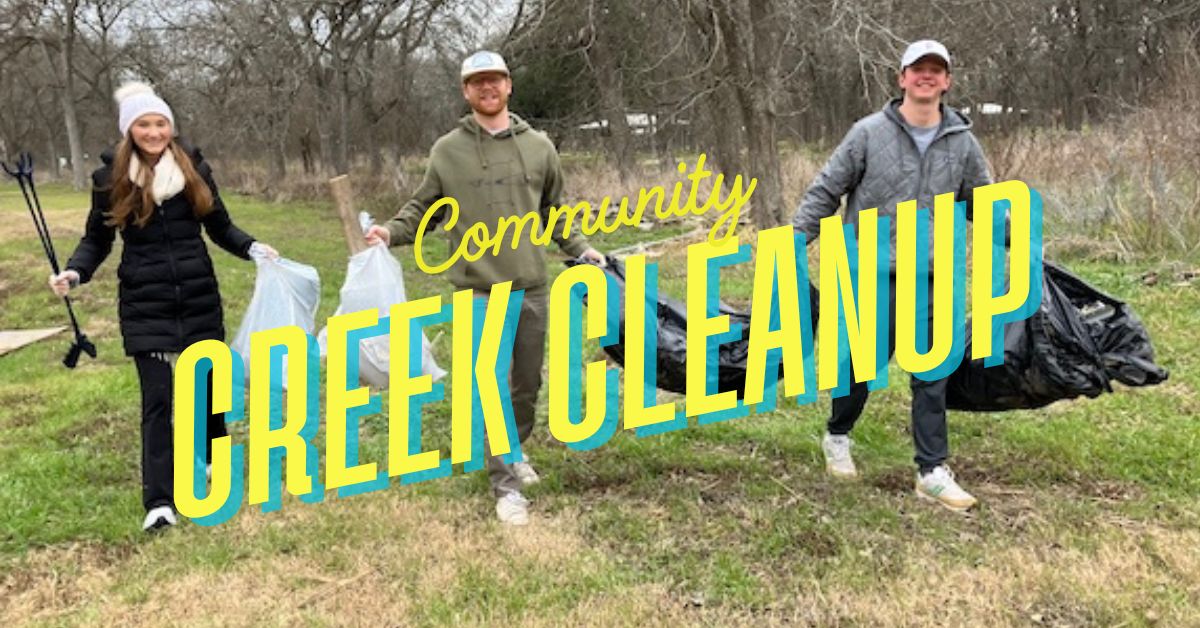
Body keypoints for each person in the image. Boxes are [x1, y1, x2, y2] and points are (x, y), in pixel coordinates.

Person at [365, 50, 605, 526]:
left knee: (526, 384)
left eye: (494, 80)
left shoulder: (539, 146)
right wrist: (389, 232)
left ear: (508, 85)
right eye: (477, 82)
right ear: (465, 91)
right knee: (490, 386)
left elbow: (556, 212)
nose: (487, 88)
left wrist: (582, 250)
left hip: (532, 287)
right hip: (479, 291)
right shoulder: (447, 151)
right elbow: (422, 209)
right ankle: (506, 487)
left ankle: (513, 449)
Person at [49, 82, 278, 531]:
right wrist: (74, 273)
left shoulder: (194, 170)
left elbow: (220, 226)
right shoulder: (110, 180)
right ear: (129, 130)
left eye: (160, 123)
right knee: (157, 400)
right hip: (143, 301)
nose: (153, 132)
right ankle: (159, 501)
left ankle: (213, 461)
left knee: (207, 392)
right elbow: (97, 239)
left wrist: (252, 248)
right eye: (143, 124)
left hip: (197, 296)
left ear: (170, 128)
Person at [791, 39, 993, 512]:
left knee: (932, 373)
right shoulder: (867, 134)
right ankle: (837, 435)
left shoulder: (962, 142)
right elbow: (827, 190)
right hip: (869, 272)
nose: (927, 77)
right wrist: (796, 241)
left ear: (947, 82)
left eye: (936, 71)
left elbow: (982, 205)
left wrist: (1019, 243)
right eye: (917, 69)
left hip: (933, 276)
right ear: (901, 78)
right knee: (860, 367)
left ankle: (931, 470)